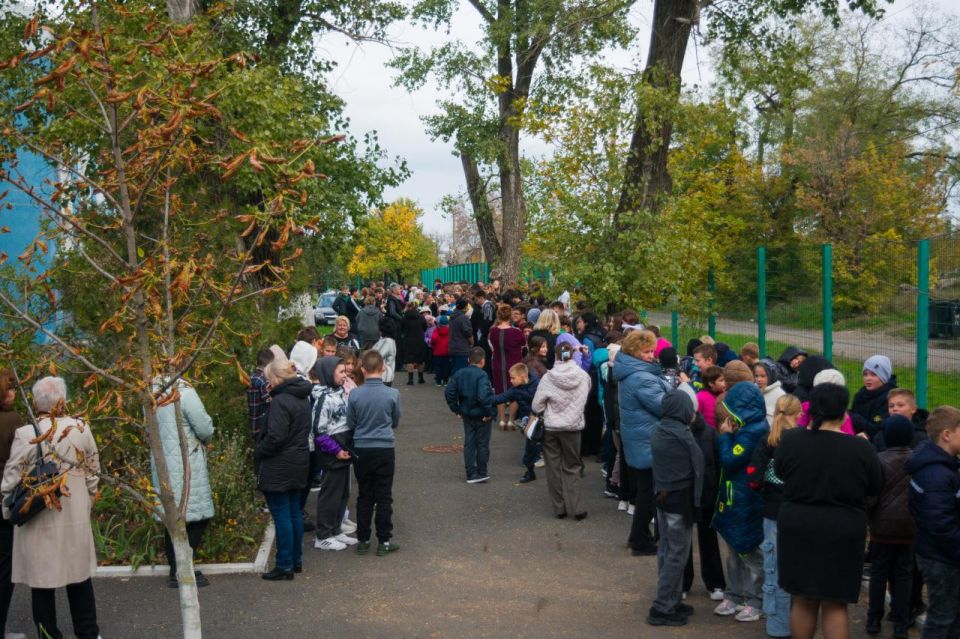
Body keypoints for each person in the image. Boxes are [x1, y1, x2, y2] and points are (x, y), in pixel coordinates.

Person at [775, 383, 883, 639]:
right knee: (835, 602)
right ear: (844, 413)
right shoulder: (860, 448)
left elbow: (780, 472)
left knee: (803, 598)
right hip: (843, 528)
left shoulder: (791, 440)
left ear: (810, 409)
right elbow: (875, 486)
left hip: (798, 524)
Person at [1, 377, 100, 639]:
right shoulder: (81, 428)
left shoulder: (27, 434)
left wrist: (7, 510)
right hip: (75, 518)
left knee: (42, 584)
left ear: (36, 403)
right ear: (63, 401)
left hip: (38, 520)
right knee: (79, 579)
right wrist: (86, 502)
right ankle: (88, 633)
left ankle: (48, 634)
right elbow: (93, 473)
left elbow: (11, 479)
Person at [711, 381, 768, 623]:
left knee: (750, 551)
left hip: (746, 500)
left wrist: (725, 436)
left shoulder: (753, 432)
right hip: (735, 498)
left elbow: (729, 460)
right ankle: (734, 594)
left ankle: (756, 600)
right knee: (734, 549)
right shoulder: (746, 428)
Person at [646, 389, 703, 627]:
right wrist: (698, 503)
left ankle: (672, 599)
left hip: (662, 495)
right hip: (679, 499)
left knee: (667, 549)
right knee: (678, 554)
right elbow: (698, 466)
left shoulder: (659, 430)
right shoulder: (682, 435)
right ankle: (662, 606)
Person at [151, 378, 215, 589]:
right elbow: (205, 429)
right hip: (186, 461)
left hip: (162, 461)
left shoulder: (151, 393)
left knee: (172, 515)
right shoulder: (184, 392)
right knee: (197, 516)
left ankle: (176, 568)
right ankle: (181, 569)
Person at [747, 393, 800, 638]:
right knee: (797, 566)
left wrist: (767, 484)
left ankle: (778, 625)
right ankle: (800, 620)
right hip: (798, 510)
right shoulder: (802, 441)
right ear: (798, 414)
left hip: (772, 511)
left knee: (774, 567)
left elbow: (753, 478)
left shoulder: (767, 441)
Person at [614, 330, 671, 554]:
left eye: (651, 351)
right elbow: (664, 406)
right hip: (649, 440)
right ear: (635, 352)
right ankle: (640, 540)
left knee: (646, 492)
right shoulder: (641, 378)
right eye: (646, 352)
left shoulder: (631, 372)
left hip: (640, 439)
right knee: (650, 494)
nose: (651, 356)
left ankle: (638, 536)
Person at [256, 350, 312, 580]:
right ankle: (295, 560)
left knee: (281, 515)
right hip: (299, 460)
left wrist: (259, 450)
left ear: (277, 378)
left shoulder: (280, 401)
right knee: (293, 512)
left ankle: (284, 564)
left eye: (269, 378)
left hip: (279, 463)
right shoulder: (302, 396)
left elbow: (276, 437)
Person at [906, 406, 960, 639]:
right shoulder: (936, 474)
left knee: (952, 615)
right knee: (942, 617)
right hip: (942, 557)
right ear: (947, 435)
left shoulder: (943, 465)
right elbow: (940, 524)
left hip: (941, 553)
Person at [866, 415, 918, 639]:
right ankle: (900, 623)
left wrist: (869, 517)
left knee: (878, 573)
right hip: (909, 527)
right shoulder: (917, 460)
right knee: (904, 574)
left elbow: (871, 495)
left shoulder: (878, 460)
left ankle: (873, 619)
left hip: (882, 527)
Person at [348, 350, 402, 556]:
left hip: (361, 447)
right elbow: (395, 420)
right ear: (383, 368)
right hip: (384, 447)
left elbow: (351, 421)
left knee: (364, 495)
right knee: (384, 495)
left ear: (362, 369)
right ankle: (384, 541)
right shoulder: (392, 394)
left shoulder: (355, 394)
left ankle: (363, 539)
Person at [532, 343, 591, 520]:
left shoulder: (548, 378)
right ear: (572, 355)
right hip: (573, 427)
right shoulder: (583, 376)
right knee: (572, 466)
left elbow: (536, 406)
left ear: (556, 356)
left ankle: (559, 508)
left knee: (553, 467)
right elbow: (585, 395)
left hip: (551, 427)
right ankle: (577, 507)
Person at [683, 391, 727, 604]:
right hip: (682, 494)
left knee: (709, 539)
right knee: (682, 540)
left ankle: (715, 582)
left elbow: (719, 465)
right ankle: (682, 582)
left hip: (707, 494)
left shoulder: (710, 434)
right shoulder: (674, 432)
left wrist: (717, 492)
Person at [310, 357, 358, 552]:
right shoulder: (323, 398)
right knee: (330, 493)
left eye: (345, 371)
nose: (345, 375)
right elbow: (318, 431)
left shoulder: (340, 393)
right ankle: (323, 535)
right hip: (332, 452)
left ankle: (336, 529)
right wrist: (336, 450)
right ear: (328, 374)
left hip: (344, 448)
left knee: (343, 493)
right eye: (340, 372)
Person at [445, 347, 495, 484]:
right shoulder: (483, 375)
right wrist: (489, 412)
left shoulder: (459, 373)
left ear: (468, 360)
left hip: (466, 413)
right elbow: (483, 396)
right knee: (482, 443)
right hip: (481, 414)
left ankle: (470, 473)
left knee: (469, 443)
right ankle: (482, 471)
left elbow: (449, 392)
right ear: (483, 361)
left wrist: (456, 409)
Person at [0, 371, 26, 639]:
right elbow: (20, 460)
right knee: (4, 566)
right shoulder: (13, 421)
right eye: (9, 388)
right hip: (3, 500)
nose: (14, 393)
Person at [490, 364, 540, 483]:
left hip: (541, 420)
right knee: (530, 447)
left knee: (543, 445)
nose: (511, 381)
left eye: (513, 378)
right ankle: (530, 472)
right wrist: (482, 398)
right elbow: (500, 398)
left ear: (523, 376)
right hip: (528, 422)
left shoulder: (538, 385)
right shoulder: (515, 389)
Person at [488, 304, 525, 430]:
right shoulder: (517, 332)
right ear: (510, 316)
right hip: (514, 365)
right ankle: (511, 421)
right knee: (515, 392)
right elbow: (523, 344)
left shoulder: (493, 331)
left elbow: (491, 345)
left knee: (500, 392)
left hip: (498, 364)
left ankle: (502, 420)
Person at [851, 355, 896, 440]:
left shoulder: (890, 398)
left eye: (873, 374)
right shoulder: (860, 395)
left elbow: (878, 428)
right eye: (865, 374)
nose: (868, 378)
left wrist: (854, 418)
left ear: (884, 377)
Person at [246, 347, 274, 438]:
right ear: (269, 364)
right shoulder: (264, 381)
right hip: (263, 425)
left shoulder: (251, 377)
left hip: (254, 423)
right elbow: (270, 401)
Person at [400, 301, 428, 385]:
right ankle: (421, 378)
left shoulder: (404, 318)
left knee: (409, 360)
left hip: (408, 340)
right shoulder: (421, 317)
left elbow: (401, 329)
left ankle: (410, 380)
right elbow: (425, 328)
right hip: (419, 339)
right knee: (420, 360)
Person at [753, 361, 785, 426]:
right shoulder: (752, 391)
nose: (759, 379)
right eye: (756, 376)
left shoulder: (780, 395)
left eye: (763, 376)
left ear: (771, 376)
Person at [448, 298, 474, 376]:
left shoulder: (452, 316)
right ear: (465, 307)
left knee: (454, 369)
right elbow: (468, 332)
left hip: (452, 346)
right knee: (462, 371)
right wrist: (472, 342)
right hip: (462, 348)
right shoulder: (463, 318)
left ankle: (454, 382)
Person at [373, 318, 398, 387]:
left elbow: (375, 357)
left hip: (382, 376)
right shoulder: (389, 340)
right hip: (384, 376)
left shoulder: (387, 341)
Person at [431, 314, 451, 386]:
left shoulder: (436, 330)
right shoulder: (450, 331)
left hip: (437, 352)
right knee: (446, 366)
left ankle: (438, 381)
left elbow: (433, 339)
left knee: (438, 367)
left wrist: (433, 345)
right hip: (447, 352)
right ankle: (445, 381)